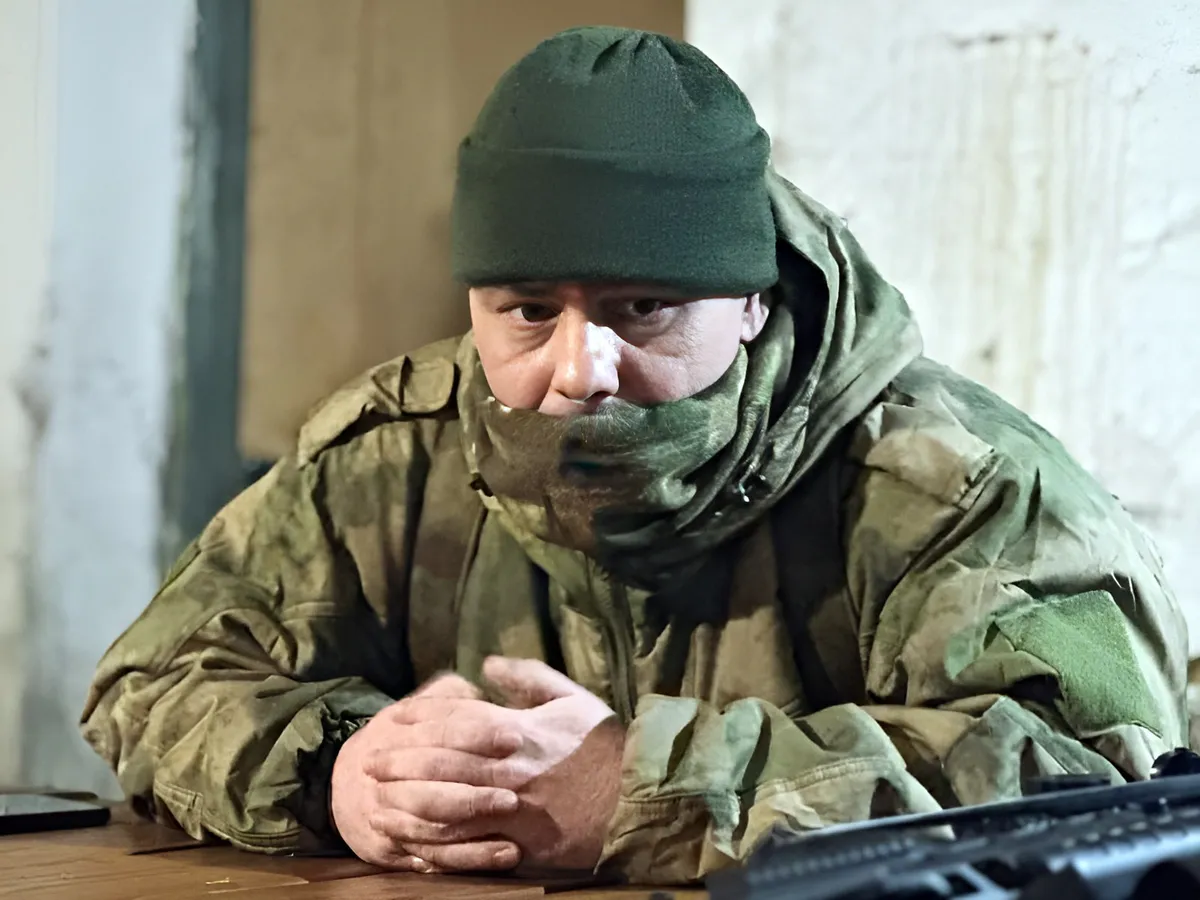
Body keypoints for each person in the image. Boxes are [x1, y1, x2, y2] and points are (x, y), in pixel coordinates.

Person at [80, 26, 1189, 886]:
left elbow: (1103, 781)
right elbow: (155, 677)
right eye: (528, 311)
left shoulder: (958, 488)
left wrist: (643, 790)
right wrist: (337, 767)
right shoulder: (396, 457)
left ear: (751, 303)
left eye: (643, 307)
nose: (580, 370)